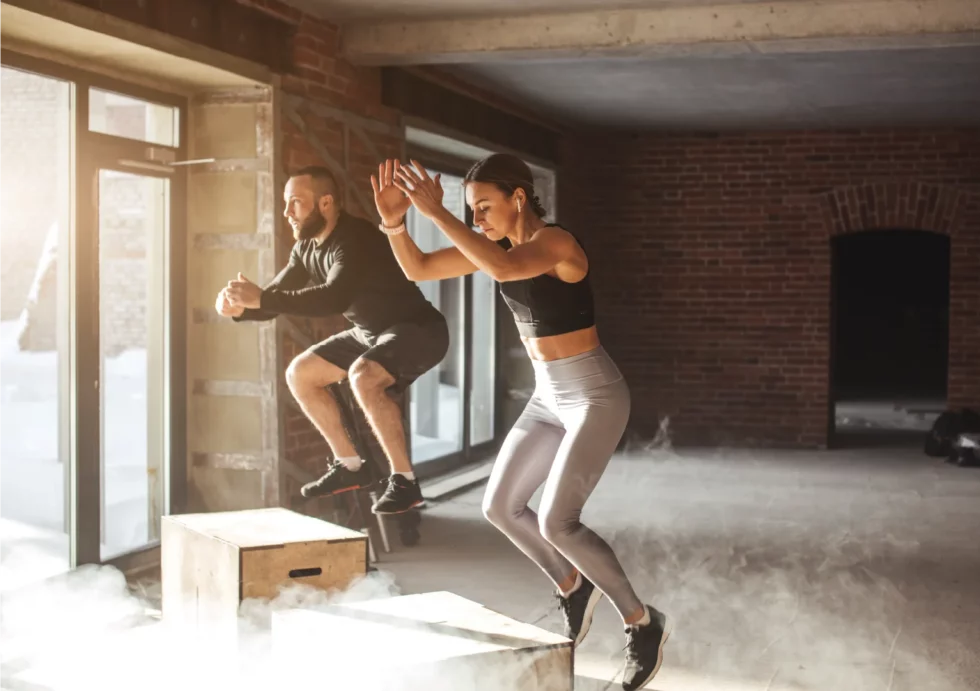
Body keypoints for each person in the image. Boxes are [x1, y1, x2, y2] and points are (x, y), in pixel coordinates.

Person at [370, 155, 671, 690]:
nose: (479, 219)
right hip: (548, 397)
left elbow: (506, 270)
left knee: (558, 522)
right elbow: (418, 269)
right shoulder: (499, 248)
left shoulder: (557, 244)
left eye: (484, 207)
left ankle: (642, 622)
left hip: (595, 396)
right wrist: (395, 223)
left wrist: (438, 213)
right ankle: (572, 583)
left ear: (518, 197)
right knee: (499, 506)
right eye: (471, 211)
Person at [215, 165, 449, 515]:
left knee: (363, 374)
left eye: (295, 203)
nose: (286, 213)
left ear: (325, 203)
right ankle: (350, 465)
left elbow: (333, 298)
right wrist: (238, 308)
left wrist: (260, 298)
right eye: (285, 203)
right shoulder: (306, 247)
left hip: (418, 329)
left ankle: (405, 482)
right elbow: (273, 298)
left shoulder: (356, 237)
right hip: (370, 332)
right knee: (301, 372)